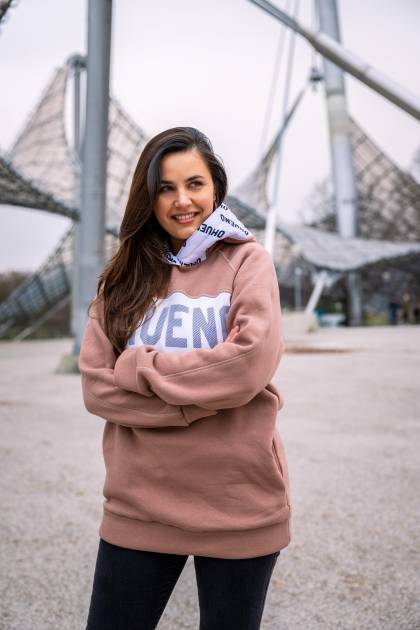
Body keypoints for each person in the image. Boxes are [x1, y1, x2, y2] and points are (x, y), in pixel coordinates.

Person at [78, 126, 291, 630]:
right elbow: (97, 387)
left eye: (194, 184)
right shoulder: (122, 278)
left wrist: (139, 367)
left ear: (215, 187)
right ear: (148, 198)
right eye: (165, 188)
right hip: (139, 505)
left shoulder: (247, 261)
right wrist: (202, 398)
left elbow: (248, 364)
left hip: (238, 502)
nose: (182, 201)